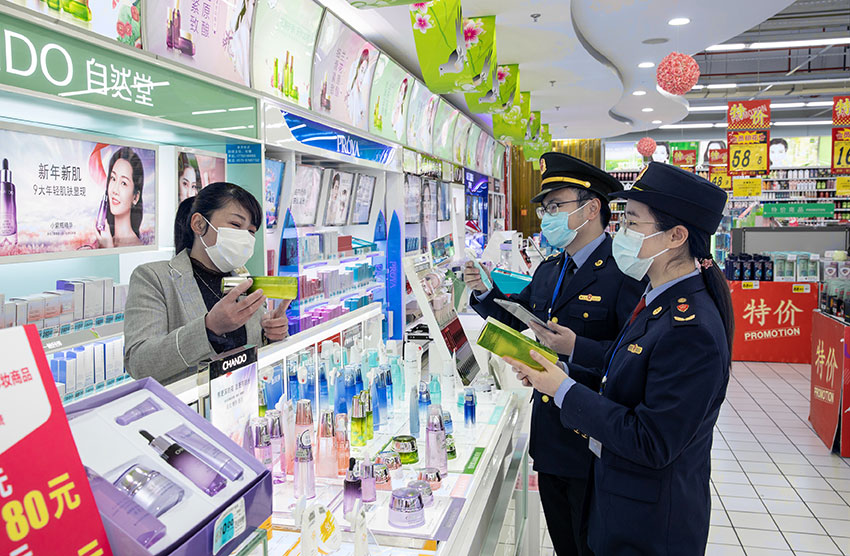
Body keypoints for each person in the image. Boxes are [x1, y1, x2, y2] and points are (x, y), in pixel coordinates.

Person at [507, 162, 733, 555]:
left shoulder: (690, 328)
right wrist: (561, 372)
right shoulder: (656, 301)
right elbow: (621, 378)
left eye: (632, 223)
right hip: (618, 499)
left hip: (650, 526)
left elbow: (652, 440)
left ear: (677, 236)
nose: (621, 233)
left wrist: (564, 390)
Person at [464, 152, 644, 556]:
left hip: (593, 437)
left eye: (555, 206)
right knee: (564, 542)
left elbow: (634, 357)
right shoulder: (550, 269)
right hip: (549, 437)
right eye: (544, 209)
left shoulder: (624, 272)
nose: (546, 217)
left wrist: (575, 348)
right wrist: (483, 291)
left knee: (590, 545)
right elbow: (518, 318)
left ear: (591, 209)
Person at [124, 182, 290, 384]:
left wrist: (272, 334)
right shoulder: (153, 278)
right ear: (199, 224)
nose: (245, 237)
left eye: (251, 231)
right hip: (187, 402)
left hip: (243, 397)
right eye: (236, 225)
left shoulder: (243, 280)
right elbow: (139, 363)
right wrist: (208, 328)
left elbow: (253, 350)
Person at [97, 147, 145, 248]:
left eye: (123, 183)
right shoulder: (104, 239)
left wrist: (109, 249)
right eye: (113, 178)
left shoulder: (137, 247)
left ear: (135, 197)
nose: (115, 190)